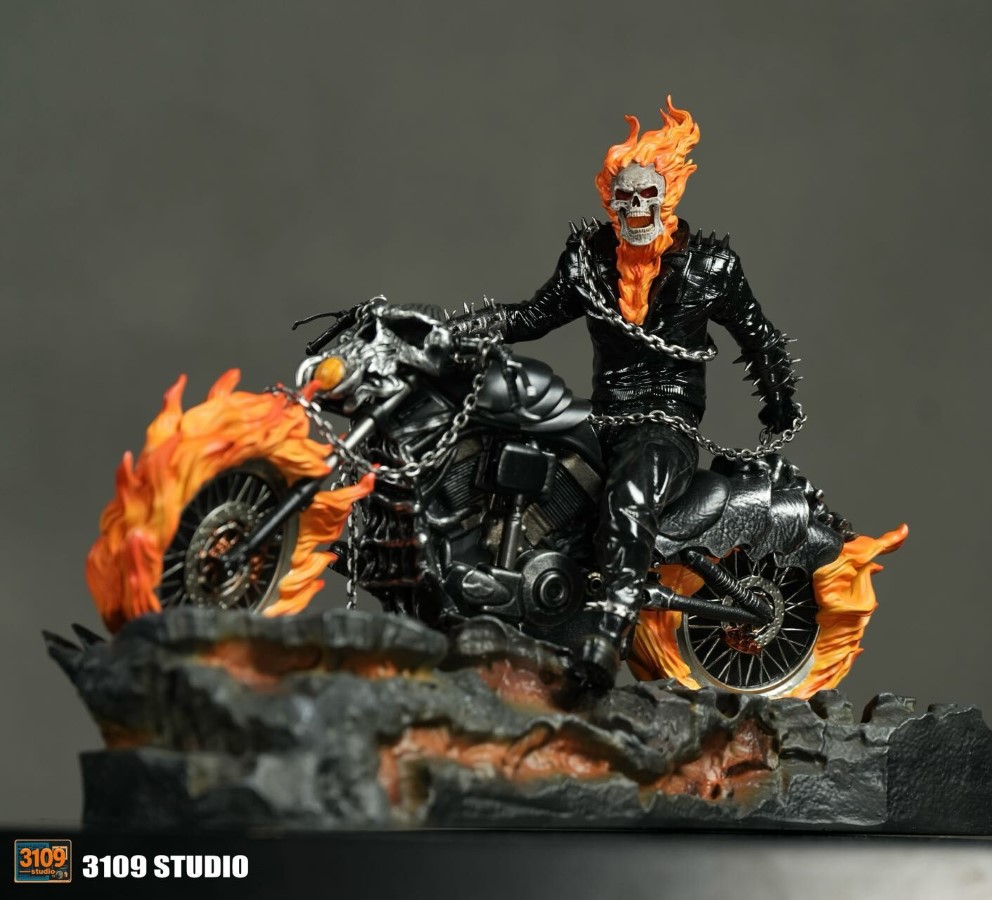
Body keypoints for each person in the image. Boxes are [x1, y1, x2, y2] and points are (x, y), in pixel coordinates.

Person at [456, 98, 801, 686]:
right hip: (603, 414)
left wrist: (780, 404)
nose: (636, 207)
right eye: (625, 197)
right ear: (609, 200)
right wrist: (454, 329)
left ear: (668, 196)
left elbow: (759, 336)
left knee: (630, 496)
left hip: (665, 420)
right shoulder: (588, 262)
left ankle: (607, 635)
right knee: (516, 453)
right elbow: (532, 316)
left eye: (647, 195)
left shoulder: (710, 267)